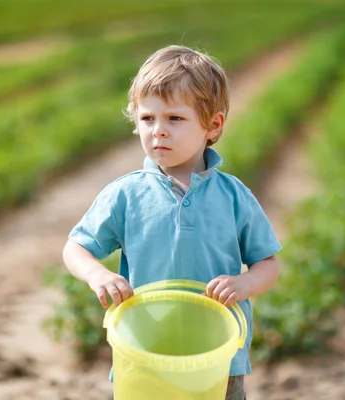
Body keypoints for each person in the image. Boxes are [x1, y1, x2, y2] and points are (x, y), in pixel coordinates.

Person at [62, 44, 281, 400]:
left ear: (213, 125)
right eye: (148, 118)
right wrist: (98, 274)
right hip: (144, 355)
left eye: (174, 119)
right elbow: (76, 248)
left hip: (217, 360)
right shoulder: (126, 194)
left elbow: (267, 264)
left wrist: (244, 283)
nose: (158, 131)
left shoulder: (233, 197)